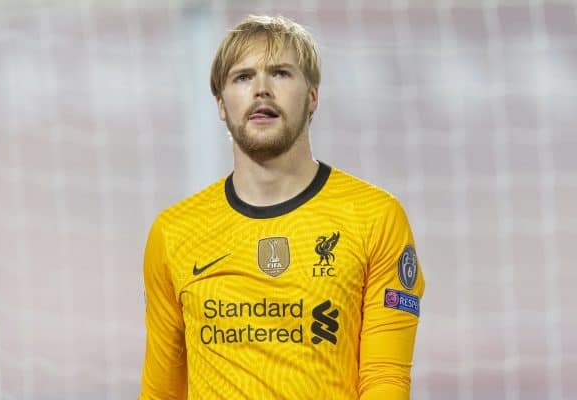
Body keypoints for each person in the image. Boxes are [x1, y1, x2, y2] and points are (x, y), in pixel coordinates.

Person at [139, 14, 425, 400]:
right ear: (221, 105)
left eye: (280, 74)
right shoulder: (173, 232)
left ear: (312, 97)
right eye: (242, 77)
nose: (261, 90)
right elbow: (160, 393)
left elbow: (385, 382)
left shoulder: (374, 217)